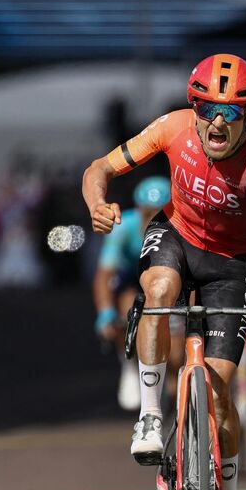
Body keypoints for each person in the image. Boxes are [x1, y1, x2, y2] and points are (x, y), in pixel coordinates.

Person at [82, 54, 246, 490]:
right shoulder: (172, 127)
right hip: (176, 237)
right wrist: (96, 202)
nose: (216, 120)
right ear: (192, 107)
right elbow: (99, 168)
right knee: (160, 288)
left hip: (230, 266)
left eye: (230, 112)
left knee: (219, 396)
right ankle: (150, 414)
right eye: (206, 107)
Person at [92, 176, 183, 411]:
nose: (151, 220)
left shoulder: (181, 228)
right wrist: (105, 313)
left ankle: (174, 383)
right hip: (132, 277)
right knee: (127, 306)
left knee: (176, 355)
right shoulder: (125, 228)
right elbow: (104, 276)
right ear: (138, 210)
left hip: (169, 275)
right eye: (147, 214)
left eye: (159, 214)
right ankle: (129, 361)